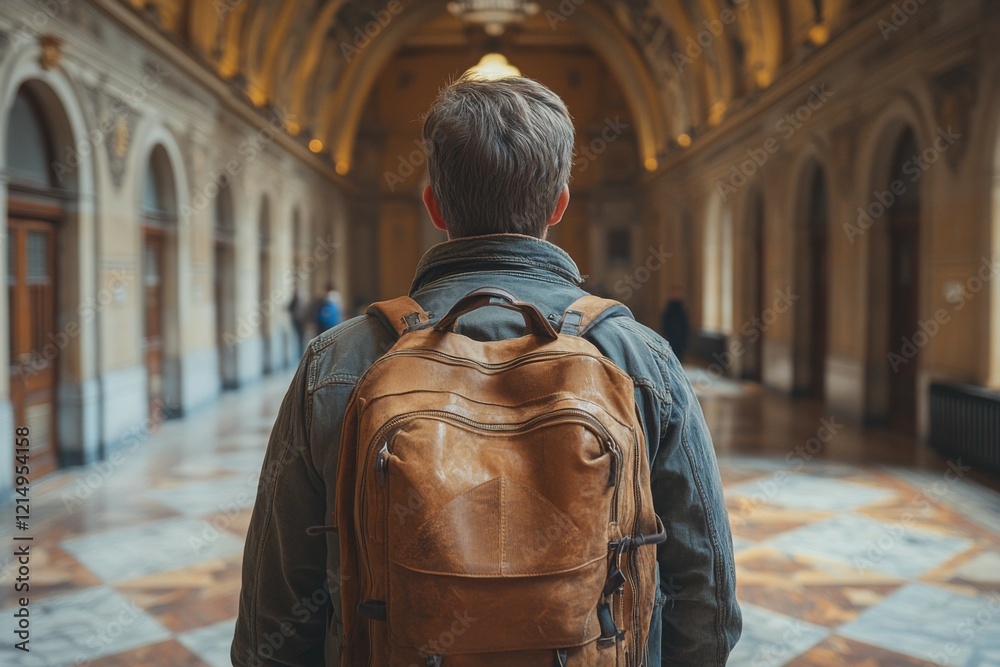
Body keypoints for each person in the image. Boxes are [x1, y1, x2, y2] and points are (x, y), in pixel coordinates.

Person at [233, 76, 740, 666]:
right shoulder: (639, 360)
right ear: (560, 204)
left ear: (434, 205)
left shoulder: (339, 364)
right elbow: (707, 601)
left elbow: (275, 612)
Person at [661, 285, 691, 362]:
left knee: (679, 355)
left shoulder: (682, 307)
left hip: (680, 337)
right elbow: (666, 322)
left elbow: (685, 323)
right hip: (671, 336)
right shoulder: (669, 308)